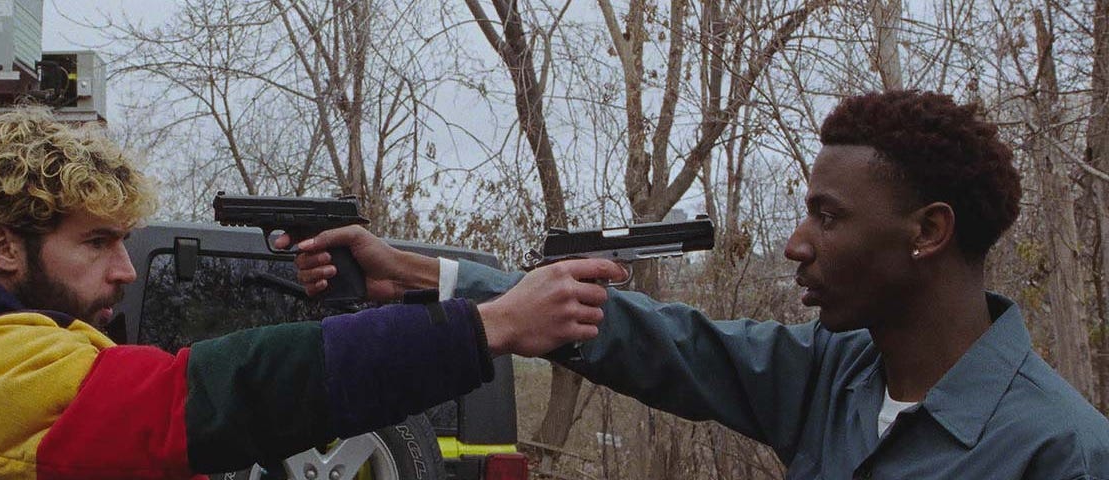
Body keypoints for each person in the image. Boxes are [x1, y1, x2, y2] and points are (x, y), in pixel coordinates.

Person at [287, 90, 1109, 479]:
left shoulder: (1059, 453)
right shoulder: (832, 376)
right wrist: (426, 273)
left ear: (928, 232)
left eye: (829, 217)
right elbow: (649, 340)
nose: (795, 244)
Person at [0, 108, 626, 479]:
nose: (122, 269)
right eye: (95, 242)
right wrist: (484, 325)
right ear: (2, 244)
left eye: (123, 241)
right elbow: (223, 390)